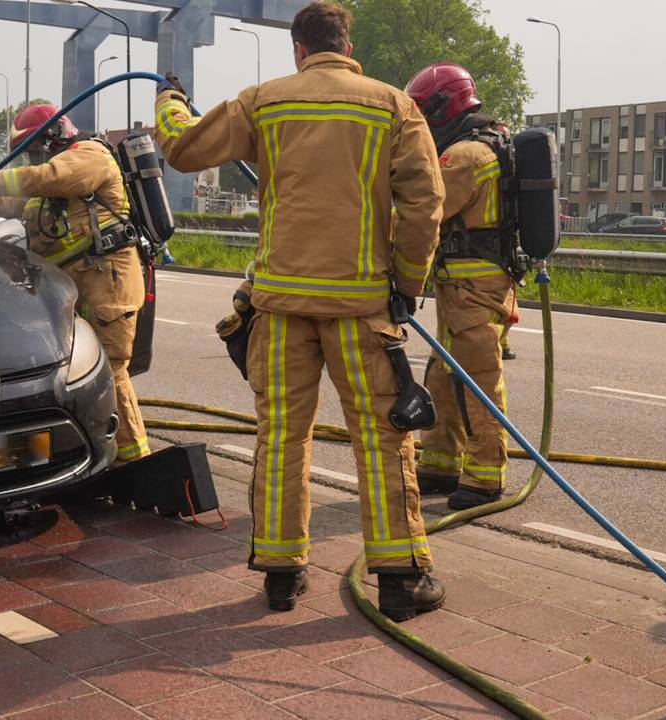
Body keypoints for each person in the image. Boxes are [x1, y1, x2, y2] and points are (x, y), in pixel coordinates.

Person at [153, 1, 447, 621]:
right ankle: (399, 579)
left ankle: (282, 574)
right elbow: (424, 203)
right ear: (347, 42)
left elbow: (180, 149)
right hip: (361, 306)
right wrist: (408, 282)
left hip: (281, 308)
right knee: (382, 440)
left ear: (298, 49)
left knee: (283, 435)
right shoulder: (394, 105)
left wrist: (169, 101)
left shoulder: (265, 100)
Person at [0, 104, 151, 464]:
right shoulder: (45, 183)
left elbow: (50, 176)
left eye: (33, 150)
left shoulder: (90, 156)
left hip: (106, 282)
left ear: (52, 137)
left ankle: (135, 463)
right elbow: (14, 201)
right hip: (66, 291)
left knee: (109, 371)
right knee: (73, 376)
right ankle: (88, 455)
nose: (30, 160)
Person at [404, 63, 516, 511]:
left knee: (476, 381)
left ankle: (486, 476)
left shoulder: (464, 156)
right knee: (444, 376)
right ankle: (440, 463)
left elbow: (424, 211)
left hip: (473, 286)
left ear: (440, 105)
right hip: (466, 285)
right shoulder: (485, 143)